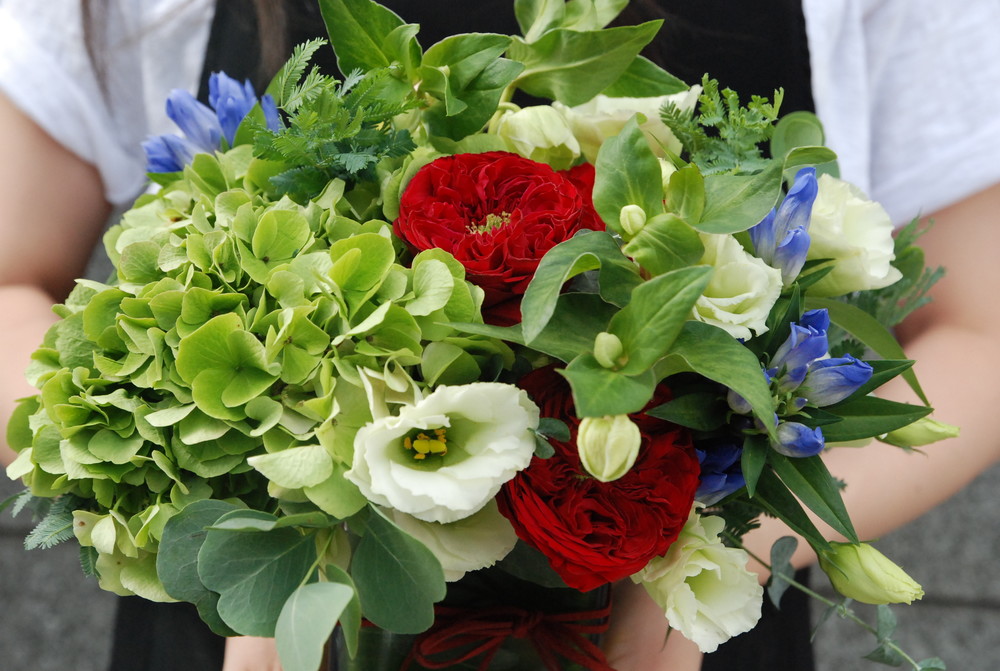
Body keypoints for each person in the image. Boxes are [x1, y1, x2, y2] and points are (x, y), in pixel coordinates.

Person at [2, 1, 999, 670]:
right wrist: (283, 562)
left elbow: (980, 330)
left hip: (665, 638)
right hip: (259, 629)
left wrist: (719, 554)